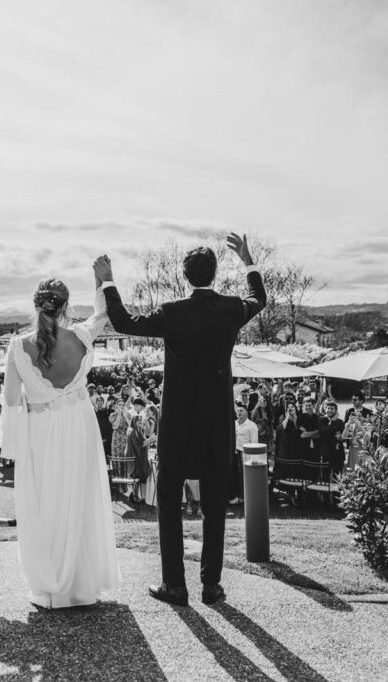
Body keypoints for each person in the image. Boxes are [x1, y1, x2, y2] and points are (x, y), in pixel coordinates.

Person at [96, 232, 266, 607]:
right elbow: (260, 299)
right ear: (214, 273)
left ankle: (175, 585)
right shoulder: (231, 309)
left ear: (185, 276)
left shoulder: (172, 312)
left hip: (177, 425)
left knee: (170, 505)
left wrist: (108, 279)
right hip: (218, 425)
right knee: (215, 509)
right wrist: (248, 260)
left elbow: (123, 320)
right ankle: (212, 585)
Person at [0, 273, 119, 609]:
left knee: (46, 501)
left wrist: (36, 392)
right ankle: (82, 586)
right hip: (79, 424)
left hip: (41, 428)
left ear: (35, 305)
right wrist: (102, 280)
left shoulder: (18, 346)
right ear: (66, 306)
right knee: (79, 498)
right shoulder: (82, 336)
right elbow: (104, 313)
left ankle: (53, 587)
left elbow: (9, 400)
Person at [230, 405, 259, 504]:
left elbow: (254, 442)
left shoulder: (252, 426)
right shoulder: (233, 424)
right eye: (237, 411)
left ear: (246, 412)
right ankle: (235, 496)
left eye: (241, 410)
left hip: (245, 453)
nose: (239, 412)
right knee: (234, 476)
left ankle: (244, 497)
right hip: (234, 453)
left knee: (244, 476)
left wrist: (250, 456)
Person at [318, 401, 345, 475]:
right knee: (325, 475)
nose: (329, 410)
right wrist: (332, 421)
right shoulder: (321, 420)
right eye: (328, 408)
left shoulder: (340, 422)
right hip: (326, 452)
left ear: (336, 410)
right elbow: (324, 433)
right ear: (325, 409)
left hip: (338, 453)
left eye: (332, 409)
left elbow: (342, 436)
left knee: (337, 476)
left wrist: (339, 436)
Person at [95, 395, 113, 462]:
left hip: (107, 434)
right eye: (98, 401)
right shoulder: (94, 412)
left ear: (103, 402)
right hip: (98, 434)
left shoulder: (106, 411)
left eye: (101, 400)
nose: (100, 402)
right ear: (96, 402)